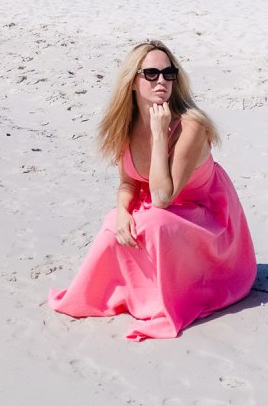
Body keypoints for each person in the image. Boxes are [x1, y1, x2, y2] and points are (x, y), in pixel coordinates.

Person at [48, 40, 257, 340]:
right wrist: (121, 213)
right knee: (113, 225)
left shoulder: (190, 127)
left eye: (168, 73)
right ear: (132, 82)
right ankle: (135, 293)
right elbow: (129, 182)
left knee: (154, 222)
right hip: (170, 213)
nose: (161, 80)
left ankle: (167, 298)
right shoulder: (126, 126)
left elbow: (162, 198)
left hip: (209, 223)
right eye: (151, 73)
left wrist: (160, 135)